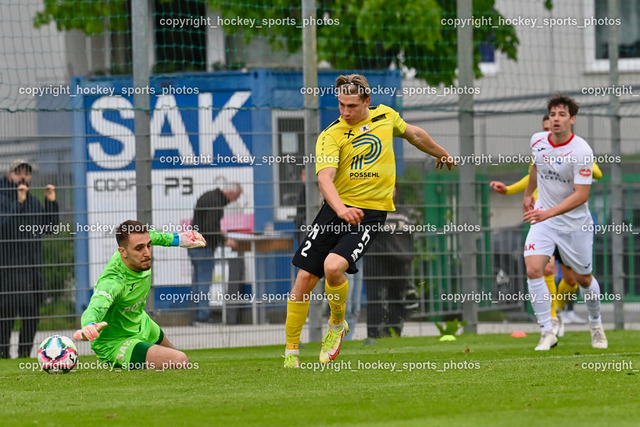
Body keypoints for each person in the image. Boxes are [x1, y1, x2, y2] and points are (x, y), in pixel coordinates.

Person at [283, 74, 456, 368]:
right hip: (335, 210)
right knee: (304, 279)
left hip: (369, 213)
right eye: (341, 105)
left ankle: (336, 325)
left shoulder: (386, 116)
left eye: (351, 105)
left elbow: (414, 134)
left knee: (333, 266)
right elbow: (324, 178)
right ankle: (291, 352)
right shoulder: (330, 135)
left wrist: (441, 153)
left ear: (367, 101)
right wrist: (339, 209)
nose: (345, 112)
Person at [490, 115, 600, 336]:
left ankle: (560, 309)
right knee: (543, 268)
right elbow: (532, 174)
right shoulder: (541, 149)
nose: (551, 129)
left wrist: (574, 163)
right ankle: (550, 320)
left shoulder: (577, 151)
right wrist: (510, 190)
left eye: (555, 123)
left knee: (573, 280)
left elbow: (596, 173)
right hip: (544, 220)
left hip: (569, 223)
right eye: (546, 126)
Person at [522, 95, 607, 351]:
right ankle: (547, 331)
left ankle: (596, 325)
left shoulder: (581, 151)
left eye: (561, 114)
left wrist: (548, 213)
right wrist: (528, 195)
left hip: (574, 225)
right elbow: (535, 169)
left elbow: (581, 195)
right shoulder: (537, 141)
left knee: (582, 278)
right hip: (544, 221)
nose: (555, 119)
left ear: (572, 119)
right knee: (534, 269)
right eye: (552, 114)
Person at [73, 220, 206, 369]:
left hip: (139, 321)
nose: (147, 253)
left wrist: (179, 239)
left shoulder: (141, 246)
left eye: (148, 246)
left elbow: (157, 237)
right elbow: (96, 306)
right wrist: (89, 325)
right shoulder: (114, 281)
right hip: (116, 343)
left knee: (177, 359)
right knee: (179, 360)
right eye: (139, 248)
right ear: (123, 252)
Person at [0, 160, 59, 359]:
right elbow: (4, 228)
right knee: (5, 317)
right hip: (8, 271)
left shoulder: (33, 201)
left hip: (32, 271)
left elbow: (49, 228)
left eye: (26, 173)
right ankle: (3, 355)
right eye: (18, 173)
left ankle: (24, 354)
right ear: (10, 176)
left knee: (31, 316)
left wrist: (51, 203)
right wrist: (18, 203)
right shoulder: (2, 198)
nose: (23, 177)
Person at [363, 187, 416, 340]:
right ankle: (374, 336)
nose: (389, 191)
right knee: (376, 299)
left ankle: (395, 333)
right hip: (376, 260)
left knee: (397, 298)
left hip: (400, 261)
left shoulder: (403, 211)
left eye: (392, 187)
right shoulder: (371, 210)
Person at [189, 183, 242, 323]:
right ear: (231, 193)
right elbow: (210, 227)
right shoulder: (216, 202)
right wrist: (224, 240)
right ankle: (203, 317)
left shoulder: (209, 195)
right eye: (236, 197)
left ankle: (194, 316)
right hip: (204, 247)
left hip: (193, 243)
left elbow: (204, 223)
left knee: (197, 282)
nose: (234, 201)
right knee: (204, 282)